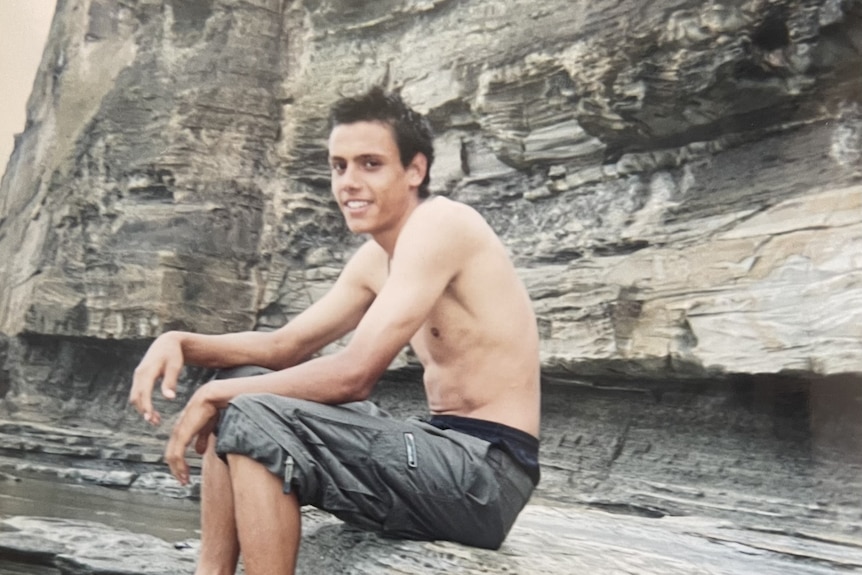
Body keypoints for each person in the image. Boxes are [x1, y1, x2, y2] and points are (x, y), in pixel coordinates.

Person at [128, 86, 541, 575]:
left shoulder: (441, 226)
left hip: (485, 476)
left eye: (370, 164)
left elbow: (354, 375)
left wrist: (216, 398)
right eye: (338, 166)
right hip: (438, 451)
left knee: (253, 412)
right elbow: (285, 347)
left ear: (415, 170)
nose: (348, 182)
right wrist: (178, 341)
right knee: (242, 377)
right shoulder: (377, 257)